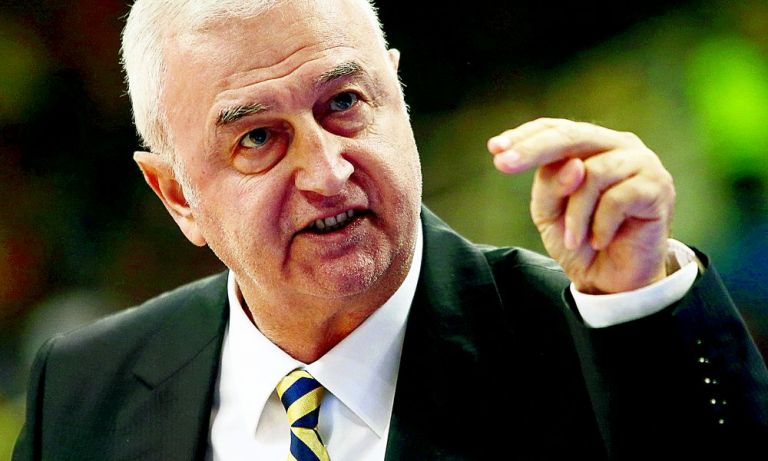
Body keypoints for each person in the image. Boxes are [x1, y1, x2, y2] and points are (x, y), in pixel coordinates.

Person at [13, 0, 768, 459]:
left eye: (344, 103)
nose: (327, 171)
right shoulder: (81, 390)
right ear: (177, 195)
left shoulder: (590, 343)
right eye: (258, 138)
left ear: (397, 95)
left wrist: (641, 306)